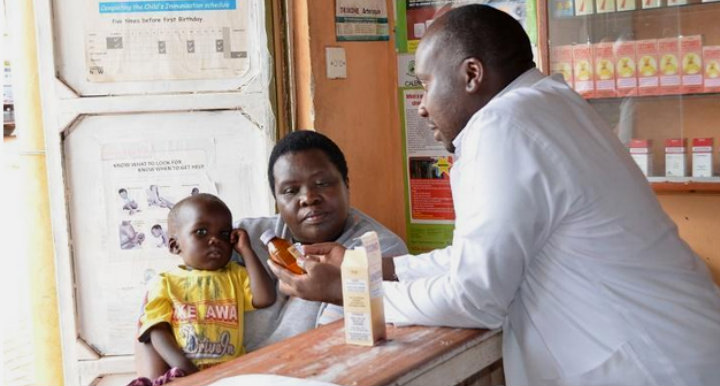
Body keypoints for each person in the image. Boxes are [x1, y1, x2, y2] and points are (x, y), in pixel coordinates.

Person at [270, 5, 720, 386]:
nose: (421, 104)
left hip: (650, 366)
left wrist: (348, 292)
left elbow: (474, 297)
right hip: (675, 350)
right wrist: (374, 268)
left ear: (471, 74)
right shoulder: (549, 103)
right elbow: (479, 257)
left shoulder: (502, 127)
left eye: (425, 83)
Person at [133, 131, 408, 379]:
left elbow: (329, 351)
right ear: (276, 199)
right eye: (290, 190)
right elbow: (158, 310)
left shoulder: (376, 251)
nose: (308, 198)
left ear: (346, 184)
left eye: (322, 183)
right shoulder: (242, 238)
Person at [129, 193, 275, 386]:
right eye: (201, 232)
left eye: (224, 234)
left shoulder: (236, 275)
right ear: (174, 245)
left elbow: (265, 298)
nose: (215, 239)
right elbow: (156, 330)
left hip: (231, 377)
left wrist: (246, 250)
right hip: (183, 375)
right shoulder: (164, 283)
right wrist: (184, 367)